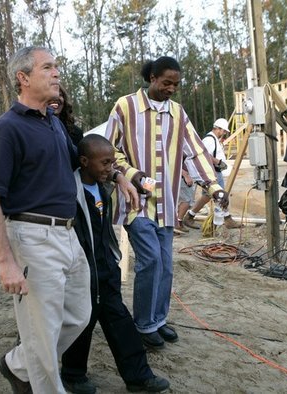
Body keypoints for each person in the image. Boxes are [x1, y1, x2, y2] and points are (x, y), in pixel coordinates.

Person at [0, 46, 137, 393]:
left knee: (80, 314)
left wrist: (120, 176)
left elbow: (84, 162)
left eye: (56, 66)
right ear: (23, 78)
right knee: (42, 330)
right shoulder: (6, 130)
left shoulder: (52, 123)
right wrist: (5, 261)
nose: (56, 73)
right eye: (47, 67)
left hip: (69, 235)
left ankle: (17, 364)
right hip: (32, 237)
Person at [104, 56, 229, 350]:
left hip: (167, 205)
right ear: (152, 79)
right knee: (150, 261)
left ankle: (158, 320)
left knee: (167, 265)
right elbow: (108, 150)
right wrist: (133, 175)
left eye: (176, 84)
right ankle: (143, 325)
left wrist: (213, 187)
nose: (172, 88)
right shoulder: (126, 107)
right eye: (166, 83)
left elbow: (196, 152)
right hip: (137, 203)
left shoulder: (178, 113)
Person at [61, 134, 169, 394]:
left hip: (106, 269)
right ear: (84, 161)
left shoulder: (103, 187)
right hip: (83, 271)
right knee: (82, 322)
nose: (111, 168)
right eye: (105, 163)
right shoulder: (69, 192)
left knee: (120, 320)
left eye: (112, 163)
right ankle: (73, 374)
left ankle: (138, 377)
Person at [183, 118, 242, 229]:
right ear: (218, 129)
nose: (224, 133)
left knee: (207, 196)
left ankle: (190, 216)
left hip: (213, 171)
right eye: (223, 131)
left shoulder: (214, 139)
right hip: (212, 172)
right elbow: (204, 156)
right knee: (221, 195)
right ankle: (226, 219)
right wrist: (218, 162)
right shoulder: (209, 140)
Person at [174, 164, 194, 235]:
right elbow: (175, 162)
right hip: (181, 176)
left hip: (178, 175)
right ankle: (177, 224)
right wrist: (185, 175)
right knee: (186, 200)